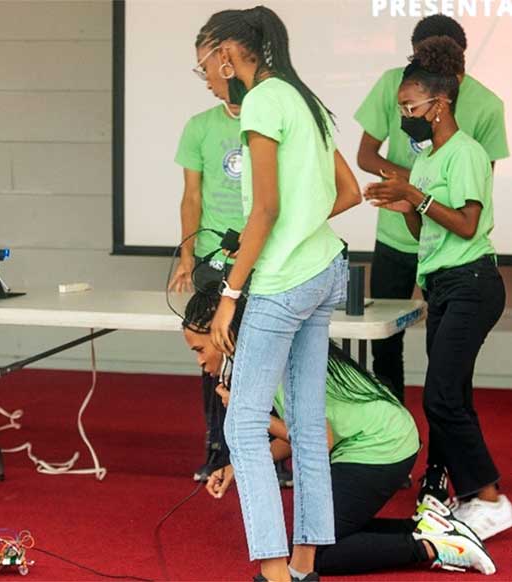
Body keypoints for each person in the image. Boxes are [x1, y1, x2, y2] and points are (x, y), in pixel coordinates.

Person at [197, 7, 359, 581]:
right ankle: (304, 567)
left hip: (282, 282)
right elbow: (348, 192)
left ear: (225, 55)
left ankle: (271, 573)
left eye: (206, 71)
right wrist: (294, 229)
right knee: (309, 424)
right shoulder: (304, 98)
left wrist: (229, 294)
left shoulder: (264, 101)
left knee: (242, 424)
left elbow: (265, 207)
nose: (211, 84)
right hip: (323, 272)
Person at [181, 287, 496, 576]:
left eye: (199, 349)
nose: (199, 361)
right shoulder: (268, 352)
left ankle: (435, 546)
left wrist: (250, 412)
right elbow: (297, 435)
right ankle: (427, 528)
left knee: (313, 554)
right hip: (378, 438)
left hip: (379, 447)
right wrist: (235, 467)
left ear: (225, 334)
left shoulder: (272, 363)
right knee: (312, 538)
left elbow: (319, 438)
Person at [364, 36, 511, 542]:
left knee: (441, 397)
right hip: (442, 285)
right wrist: (403, 205)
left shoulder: (465, 152)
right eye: (402, 107)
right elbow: (423, 233)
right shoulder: (425, 160)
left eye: (410, 106)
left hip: (473, 281)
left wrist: (416, 197)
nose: (404, 115)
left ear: (439, 103)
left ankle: (490, 497)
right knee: (453, 395)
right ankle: (470, 496)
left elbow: (468, 226)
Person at [355, 14, 508, 405]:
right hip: (398, 235)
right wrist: (409, 190)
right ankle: (393, 438)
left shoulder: (488, 105)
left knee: (446, 363)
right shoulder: (397, 85)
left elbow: (476, 194)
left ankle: (444, 455)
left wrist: (415, 188)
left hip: (451, 254)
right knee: (385, 347)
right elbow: (365, 154)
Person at [169, 29, 248, 481]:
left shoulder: (268, 115)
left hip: (256, 259)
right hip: (210, 259)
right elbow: (191, 197)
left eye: (207, 68)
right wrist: (186, 257)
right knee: (211, 354)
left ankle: (269, 449)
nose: (205, 78)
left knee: (254, 356)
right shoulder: (200, 126)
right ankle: (217, 447)